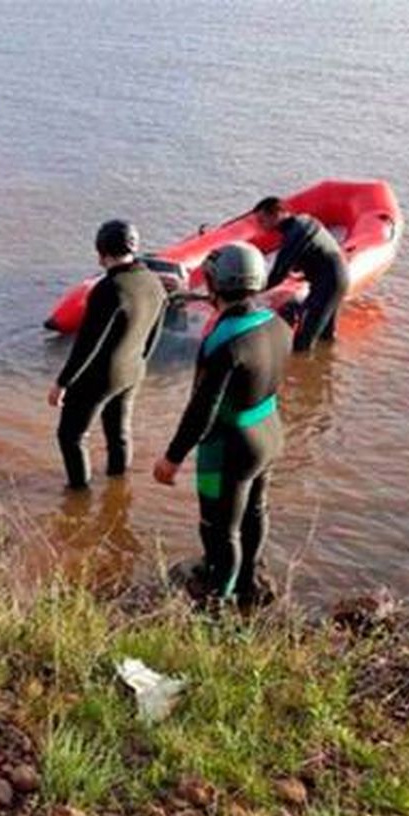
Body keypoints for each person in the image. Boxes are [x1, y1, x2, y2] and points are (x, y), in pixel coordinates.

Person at [153, 242, 291, 608]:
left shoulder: (225, 344)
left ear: (215, 283)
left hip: (228, 448)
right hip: (270, 434)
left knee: (218, 528)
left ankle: (219, 600)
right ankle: (248, 580)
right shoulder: (278, 324)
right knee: (256, 511)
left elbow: (202, 411)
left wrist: (172, 457)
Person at [49, 220, 168, 489]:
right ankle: (118, 485)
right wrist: (140, 364)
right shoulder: (153, 281)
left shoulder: (108, 289)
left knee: (71, 436)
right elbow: (154, 333)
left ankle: (78, 494)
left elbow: (88, 344)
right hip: (133, 371)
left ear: (101, 253)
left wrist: (63, 382)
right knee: (119, 433)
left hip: (101, 376)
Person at [252, 196, 350, 352]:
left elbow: (279, 272)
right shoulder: (302, 223)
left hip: (328, 283)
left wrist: (252, 296)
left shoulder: (295, 232)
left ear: (277, 214)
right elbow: (318, 254)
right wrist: (304, 274)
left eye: (262, 220)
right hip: (336, 278)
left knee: (303, 342)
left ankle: (302, 369)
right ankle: (325, 368)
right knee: (326, 335)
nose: (260, 226)